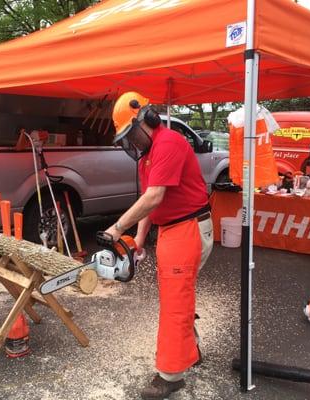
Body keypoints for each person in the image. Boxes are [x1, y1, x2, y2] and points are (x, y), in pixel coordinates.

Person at [104, 92, 213, 399]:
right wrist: (138, 239)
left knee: (175, 302)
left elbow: (154, 197)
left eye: (131, 135)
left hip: (189, 227)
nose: (132, 143)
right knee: (176, 296)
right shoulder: (149, 155)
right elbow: (149, 202)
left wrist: (117, 228)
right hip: (171, 229)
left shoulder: (170, 143)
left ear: (145, 119)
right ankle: (189, 348)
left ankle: (170, 375)